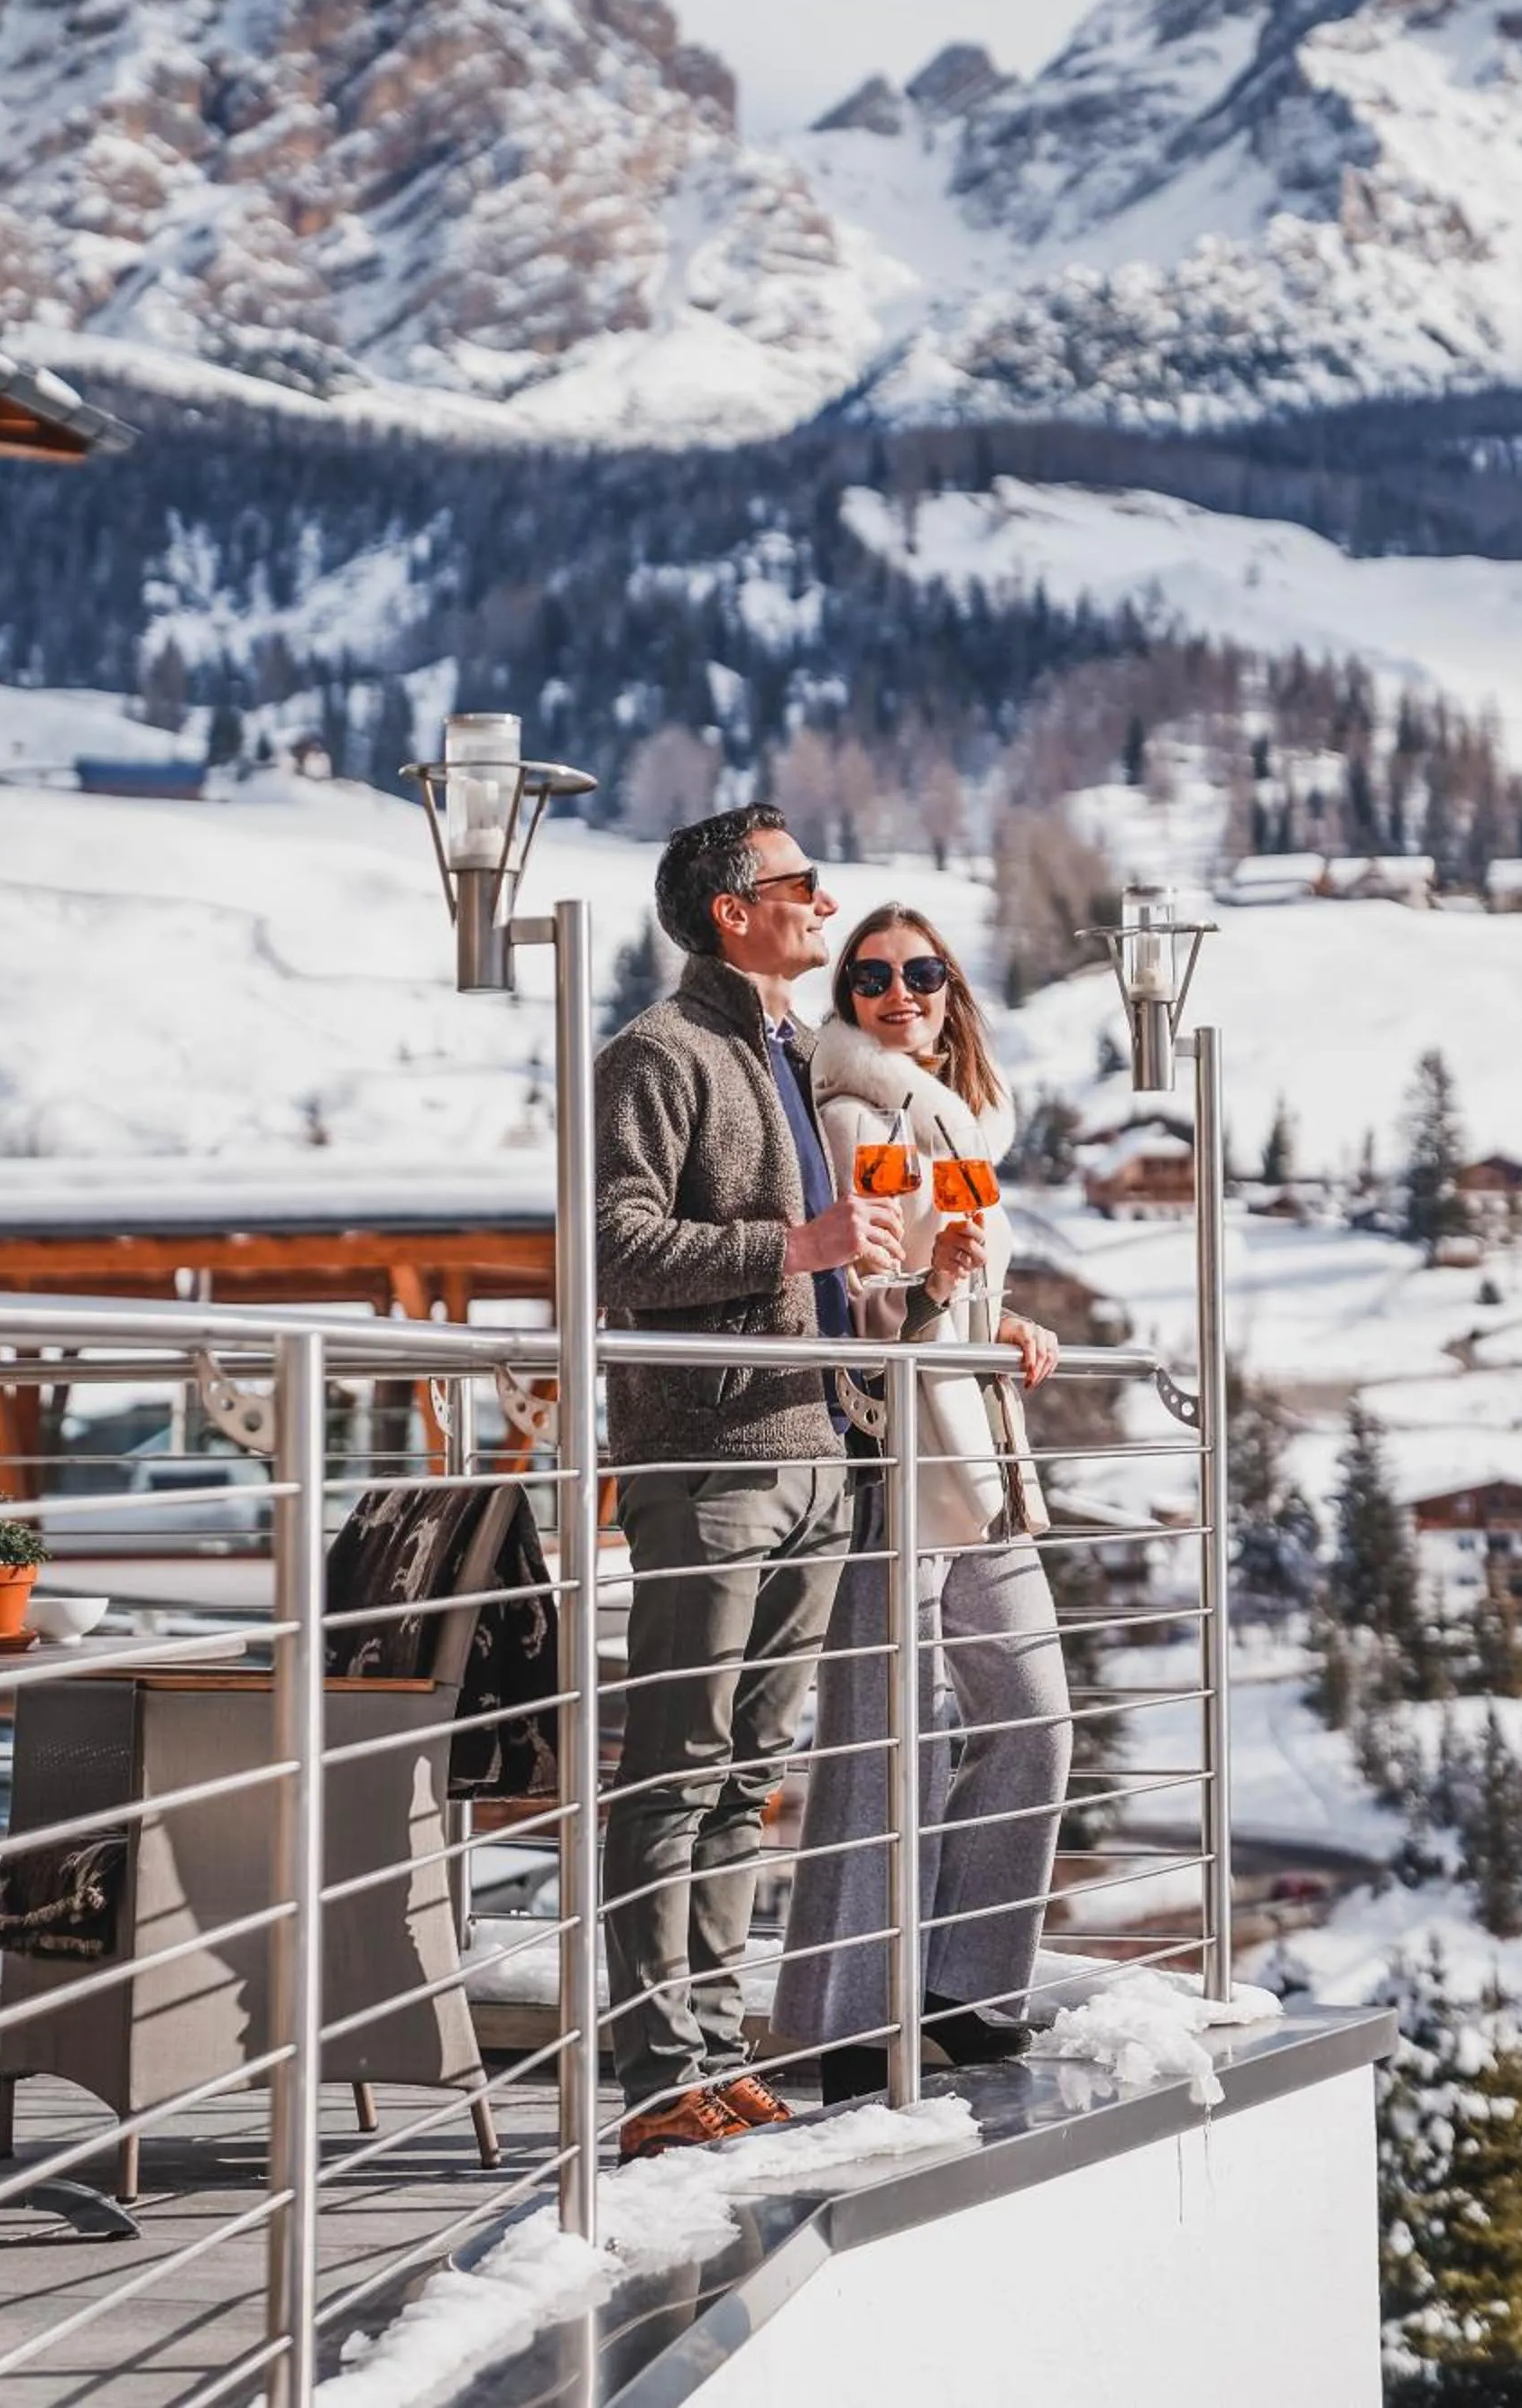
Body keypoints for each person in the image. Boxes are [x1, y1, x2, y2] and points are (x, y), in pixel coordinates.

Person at [595, 805, 906, 2160]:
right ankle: (659, 2071)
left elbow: (813, 1255)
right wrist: (802, 1241)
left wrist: (887, 1277)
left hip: (815, 1448)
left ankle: (714, 2052)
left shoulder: (783, 1048)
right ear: (733, 908)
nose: (824, 905)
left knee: (747, 1775)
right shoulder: (657, 1055)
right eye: (803, 884)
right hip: (710, 1458)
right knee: (678, 1768)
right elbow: (618, 1252)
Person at [772, 903, 1072, 2101]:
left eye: (925, 972)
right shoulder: (867, 1116)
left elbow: (945, 1287)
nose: (903, 991)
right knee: (880, 1734)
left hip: (975, 1463)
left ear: (953, 993)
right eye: (876, 975)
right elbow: (871, 1298)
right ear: (847, 997)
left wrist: (995, 1317)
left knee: (1032, 1715)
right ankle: (845, 2020)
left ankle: (960, 1987)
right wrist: (940, 1294)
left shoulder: (946, 1121)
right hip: (900, 1462)